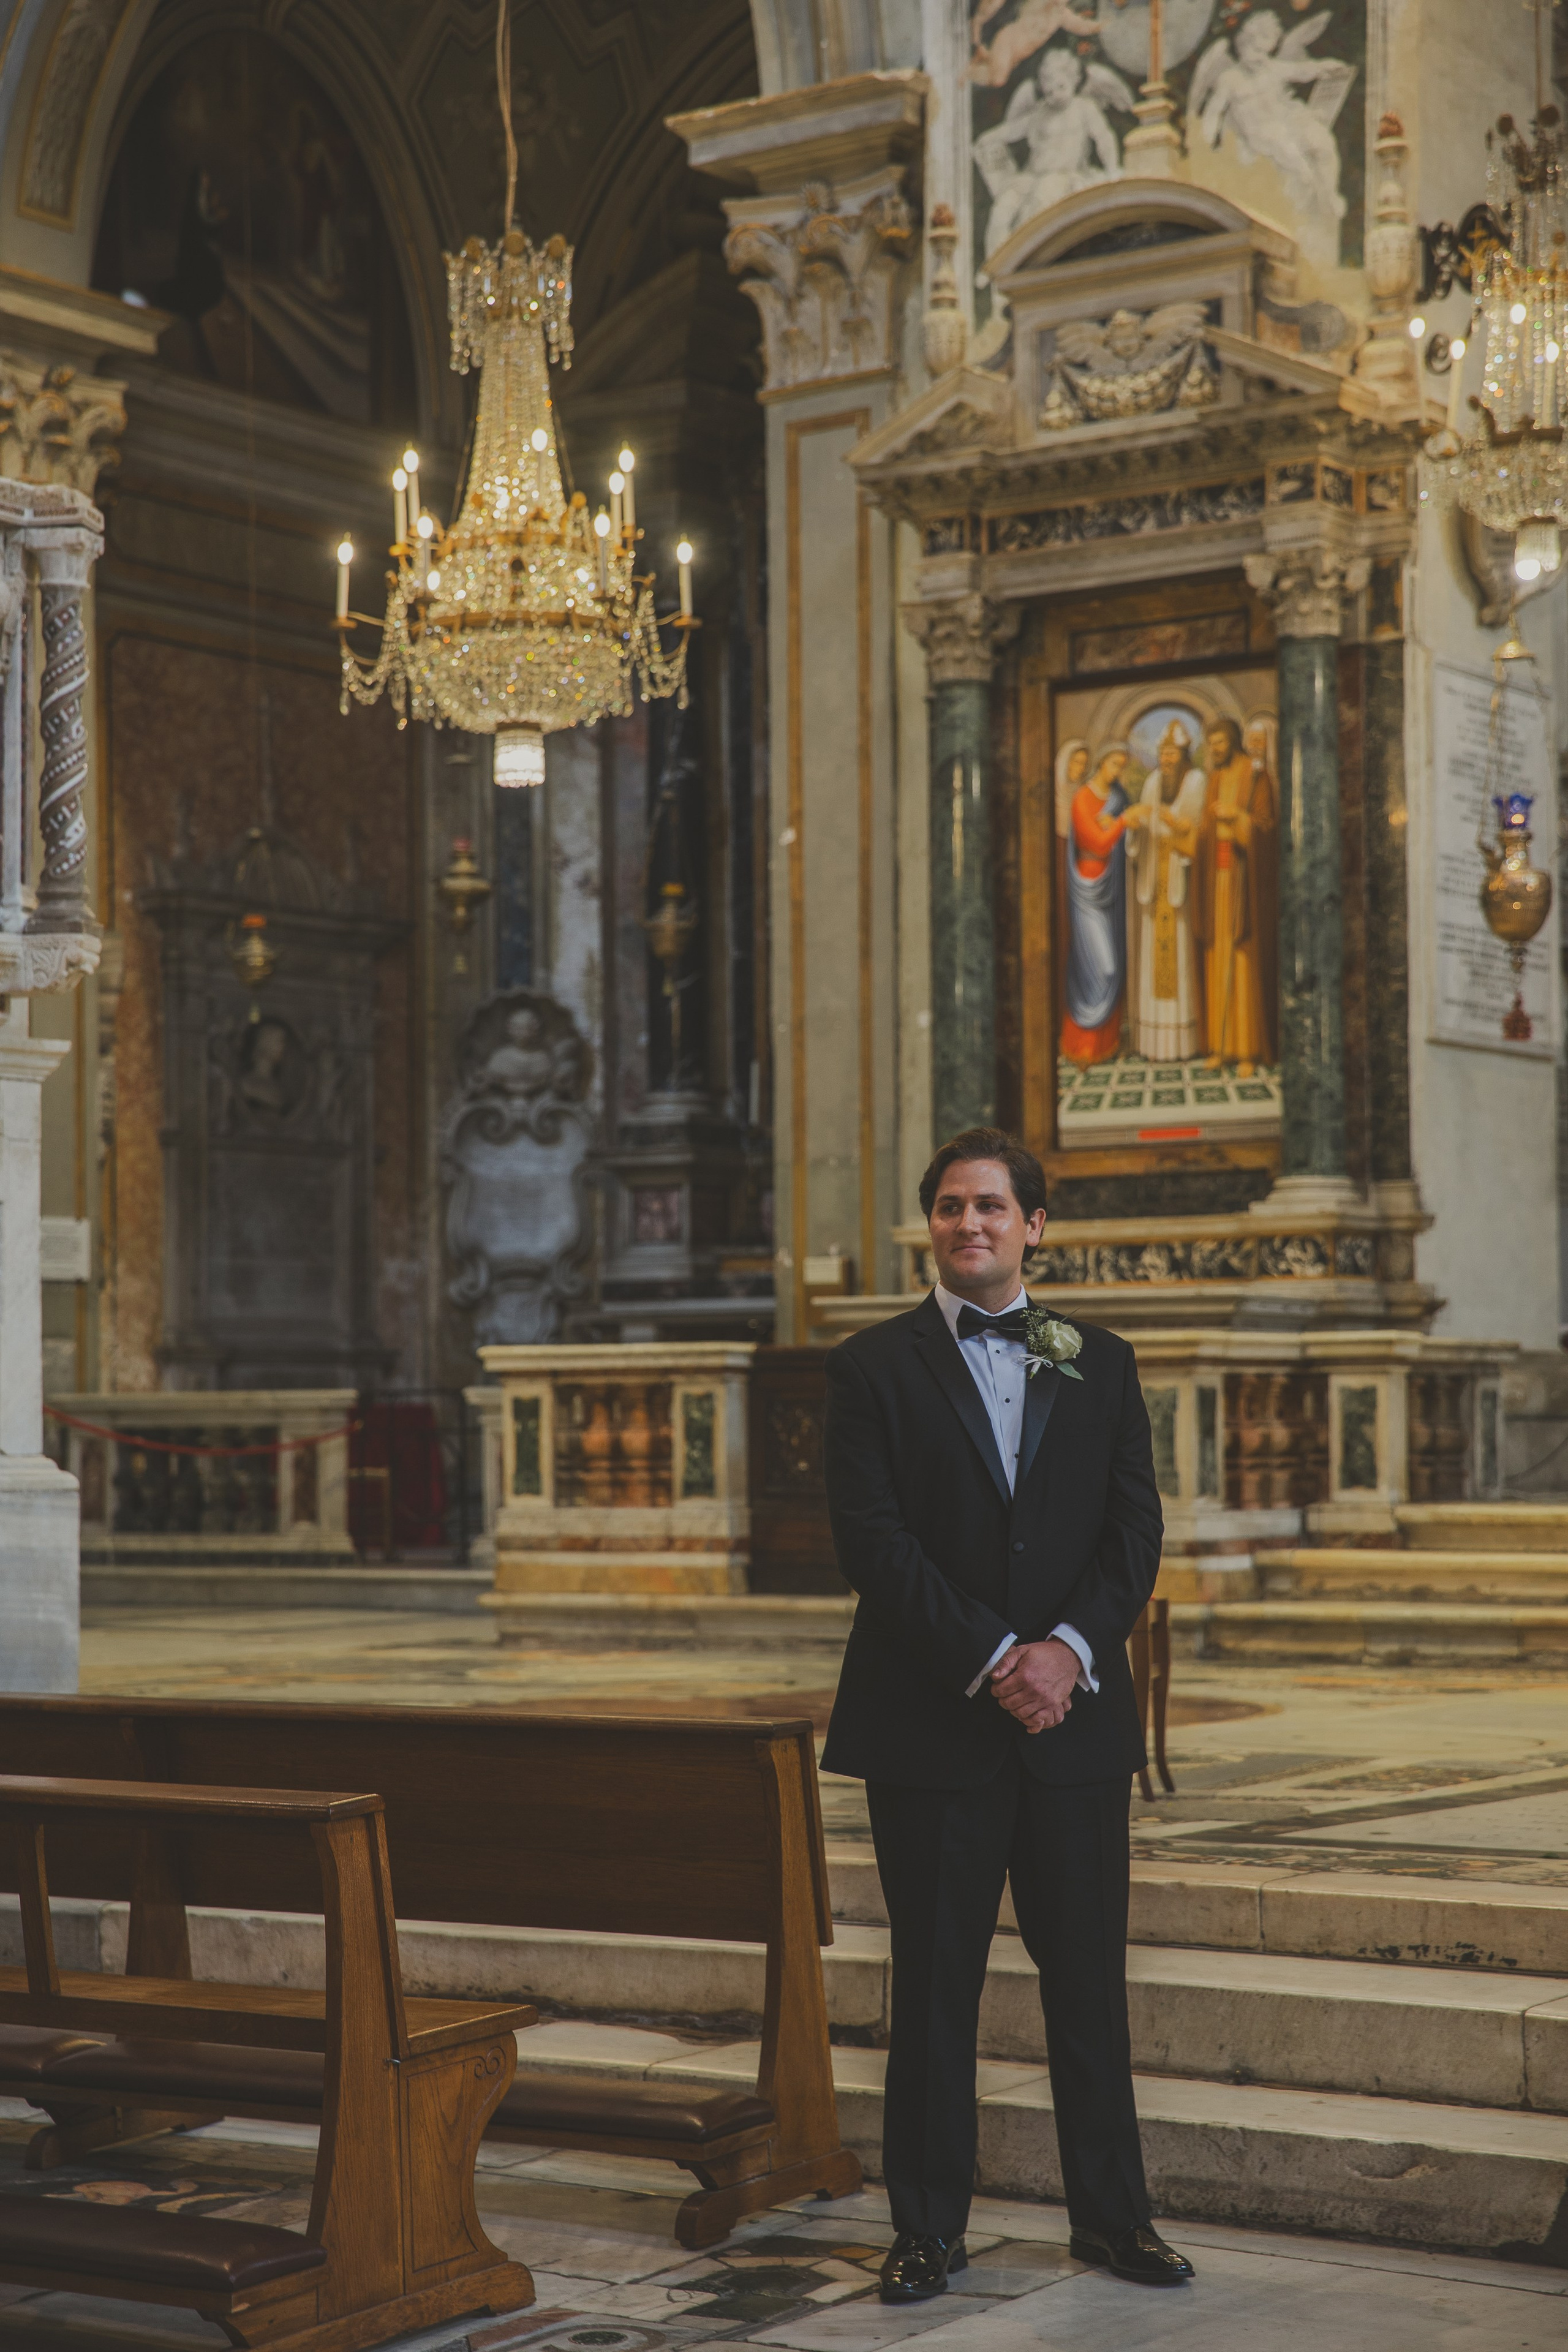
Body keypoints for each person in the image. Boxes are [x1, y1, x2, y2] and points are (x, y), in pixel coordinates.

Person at [821, 1128, 1189, 2300]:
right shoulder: (871, 1368)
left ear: (1036, 1225)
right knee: (934, 1990)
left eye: (990, 1206)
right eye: (947, 1207)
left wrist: (1069, 1653)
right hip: (933, 1725)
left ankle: (1113, 2217)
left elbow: (1135, 1533)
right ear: (929, 1225)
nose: (967, 1223)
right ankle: (927, 2227)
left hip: (1072, 1726)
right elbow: (874, 1545)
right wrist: (994, 1657)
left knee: (1087, 1986)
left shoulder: (1104, 1361)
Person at [1193, 714, 1276, 1072]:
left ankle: (1247, 1050)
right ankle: (1221, 1047)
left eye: (1221, 743)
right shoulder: (1215, 779)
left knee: (1242, 961)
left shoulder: (1256, 777)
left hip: (1244, 882)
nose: (1216, 750)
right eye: (1211, 745)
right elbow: (1205, 832)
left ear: (1233, 742)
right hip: (1219, 880)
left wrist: (1236, 818)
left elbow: (1266, 829)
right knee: (1218, 960)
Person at [1125, 718, 1207, 1063]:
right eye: (1162, 752)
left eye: (1172, 753)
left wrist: (1181, 826)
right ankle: (1152, 1041)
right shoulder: (1154, 781)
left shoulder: (1197, 781)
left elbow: (1199, 828)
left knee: (1181, 958)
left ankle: (1184, 1041)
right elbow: (1144, 827)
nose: (1166, 759)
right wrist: (1137, 824)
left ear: (1184, 754)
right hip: (1154, 877)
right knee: (1153, 957)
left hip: (1180, 879)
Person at [1060, 741, 1144, 1066]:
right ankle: (1079, 1046)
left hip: (1114, 888)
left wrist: (1121, 821)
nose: (1118, 771)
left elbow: (1120, 828)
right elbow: (1096, 841)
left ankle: (1103, 1047)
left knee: (1115, 965)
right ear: (1101, 763)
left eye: (1122, 765)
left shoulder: (1119, 796)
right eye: (1114, 764)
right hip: (1088, 891)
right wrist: (1122, 822)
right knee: (1098, 968)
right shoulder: (1083, 798)